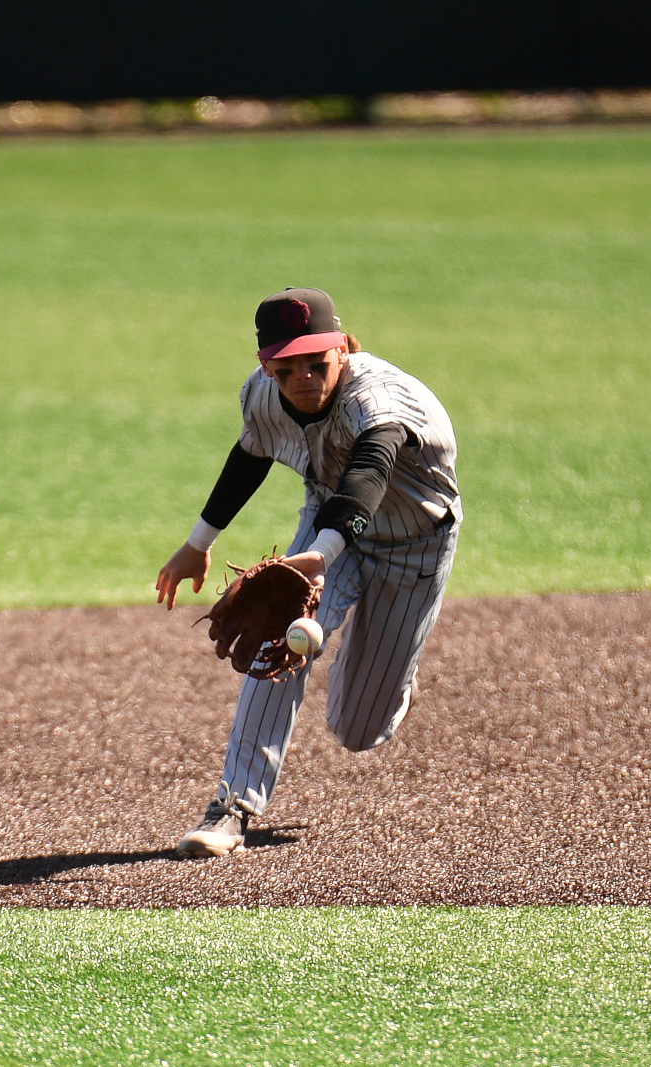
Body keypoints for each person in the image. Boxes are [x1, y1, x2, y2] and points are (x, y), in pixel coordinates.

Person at [155, 287, 461, 857]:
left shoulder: (379, 401)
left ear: (342, 349)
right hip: (324, 525)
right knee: (278, 646)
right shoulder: (264, 396)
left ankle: (392, 678)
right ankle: (232, 809)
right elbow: (251, 454)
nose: (303, 377)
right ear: (266, 365)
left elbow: (367, 478)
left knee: (357, 731)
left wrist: (318, 558)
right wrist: (199, 543)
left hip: (414, 545)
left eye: (316, 362)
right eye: (285, 366)